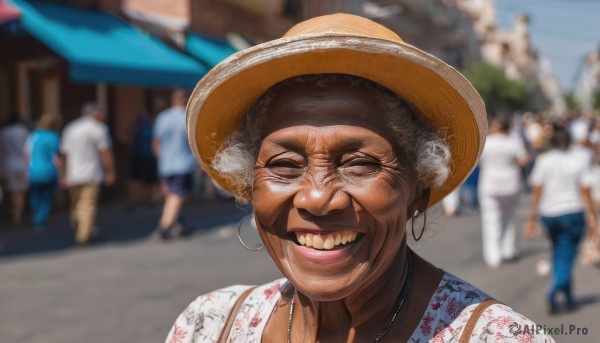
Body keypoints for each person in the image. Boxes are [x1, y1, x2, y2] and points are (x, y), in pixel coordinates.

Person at [166, 14, 553, 342]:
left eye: (360, 164)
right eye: (284, 166)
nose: (317, 197)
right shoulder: (210, 326)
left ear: (419, 187)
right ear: (250, 185)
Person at [526, 124, 597, 314]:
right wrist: (592, 218)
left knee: (560, 251)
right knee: (567, 253)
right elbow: (586, 190)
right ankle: (555, 290)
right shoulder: (576, 161)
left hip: (548, 213)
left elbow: (537, 191)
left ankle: (568, 295)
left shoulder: (544, 160)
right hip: (572, 211)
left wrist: (532, 218)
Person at [478, 115, 529, 269]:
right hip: (510, 183)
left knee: (490, 219)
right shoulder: (513, 141)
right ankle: (508, 250)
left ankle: (493, 256)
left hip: (490, 184)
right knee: (509, 218)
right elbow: (524, 160)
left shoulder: (487, 142)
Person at [60, 102, 115, 245]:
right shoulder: (99, 129)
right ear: (96, 114)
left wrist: (63, 174)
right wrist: (110, 172)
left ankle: (80, 228)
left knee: (76, 204)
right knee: (87, 205)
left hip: (73, 174)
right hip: (91, 173)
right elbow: (105, 153)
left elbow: (64, 154)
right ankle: (83, 235)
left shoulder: (71, 128)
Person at [152, 90, 197, 240]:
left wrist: (161, 160)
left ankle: (180, 224)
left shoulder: (162, 117)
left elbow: (156, 142)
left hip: (165, 164)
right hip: (182, 163)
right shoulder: (187, 117)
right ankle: (163, 227)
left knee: (172, 195)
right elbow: (193, 142)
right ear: (184, 100)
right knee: (176, 195)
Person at [24, 113, 62, 230]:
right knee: (46, 197)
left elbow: (26, 154)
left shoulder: (33, 136)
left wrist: (26, 169)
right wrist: (62, 172)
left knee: (35, 195)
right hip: (48, 170)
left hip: (33, 170)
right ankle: (40, 219)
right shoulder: (53, 137)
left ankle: (36, 216)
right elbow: (56, 157)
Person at [0, 113, 29, 225]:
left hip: (8, 163)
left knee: (13, 191)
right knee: (21, 191)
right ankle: (18, 213)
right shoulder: (22, 131)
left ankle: (15, 213)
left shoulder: (4, 132)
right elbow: (27, 149)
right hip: (22, 163)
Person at [127, 110, 158, 211]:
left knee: (136, 180)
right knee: (147, 181)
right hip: (148, 156)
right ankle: (147, 201)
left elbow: (129, 136)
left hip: (138, 156)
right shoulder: (152, 127)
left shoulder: (138, 127)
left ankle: (135, 201)